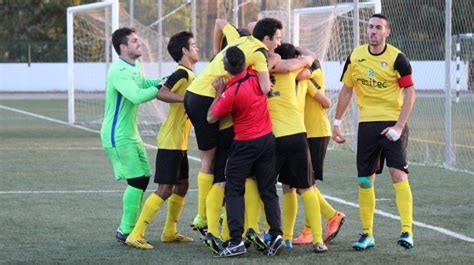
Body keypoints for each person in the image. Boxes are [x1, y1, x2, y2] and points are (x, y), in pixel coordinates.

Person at [184, 17, 282, 235]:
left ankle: (211, 213)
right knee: (215, 164)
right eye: (277, 39)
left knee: (215, 159)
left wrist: (217, 49)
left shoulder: (239, 37)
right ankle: (204, 216)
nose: (278, 43)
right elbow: (266, 87)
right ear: (265, 39)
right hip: (209, 98)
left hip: (194, 93)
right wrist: (273, 62)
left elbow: (218, 21)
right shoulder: (259, 53)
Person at [332, 13, 416, 251]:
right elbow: (347, 89)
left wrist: (399, 126)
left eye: (378, 27)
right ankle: (367, 234)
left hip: (392, 123)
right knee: (364, 180)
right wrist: (337, 122)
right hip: (366, 125)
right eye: (370, 27)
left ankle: (407, 231)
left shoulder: (397, 58)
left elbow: (410, 92)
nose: (373, 31)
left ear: (387, 32)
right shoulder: (356, 56)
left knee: (398, 174)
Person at [123, 31, 199, 250]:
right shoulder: (182, 73)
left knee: (182, 186)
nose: (196, 48)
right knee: (166, 188)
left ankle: (169, 231)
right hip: (170, 140)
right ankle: (136, 234)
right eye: (192, 45)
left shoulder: (190, 74)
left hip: (180, 141)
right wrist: (188, 99)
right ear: (184, 50)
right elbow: (162, 93)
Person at [100, 27, 175, 244]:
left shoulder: (135, 66)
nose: (139, 43)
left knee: (142, 177)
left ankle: (129, 228)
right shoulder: (118, 71)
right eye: (134, 41)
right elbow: (135, 95)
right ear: (123, 47)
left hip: (131, 133)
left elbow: (143, 84)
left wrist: (165, 80)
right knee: (136, 180)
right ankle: (126, 230)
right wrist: (161, 88)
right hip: (117, 135)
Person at [207, 47, 283, 257]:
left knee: (233, 190)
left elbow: (210, 117)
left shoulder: (230, 93)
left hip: (244, 145)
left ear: (225, 67)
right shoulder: (255, 75)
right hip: (267, 141)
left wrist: (217, 93)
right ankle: (276, 234)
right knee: (268, 190)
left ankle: (235, 241)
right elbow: (273, 58)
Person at [270, 43, 328, 253]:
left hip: (274, 137)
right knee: (307, 187)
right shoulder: (300, 75)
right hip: (297, 133)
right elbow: (312, 58)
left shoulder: (265, 73)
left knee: (281, 188)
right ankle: (318, 240)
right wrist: (304, 57)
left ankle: (281, 236)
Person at [291, 59, 346, 245]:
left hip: (316, 133)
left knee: (306, 184)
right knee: (303, 185)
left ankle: (327, 219)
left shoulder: (308, 72)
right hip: (304, 133)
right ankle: (316, 225)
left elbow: (326, 102)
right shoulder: (299, 76)